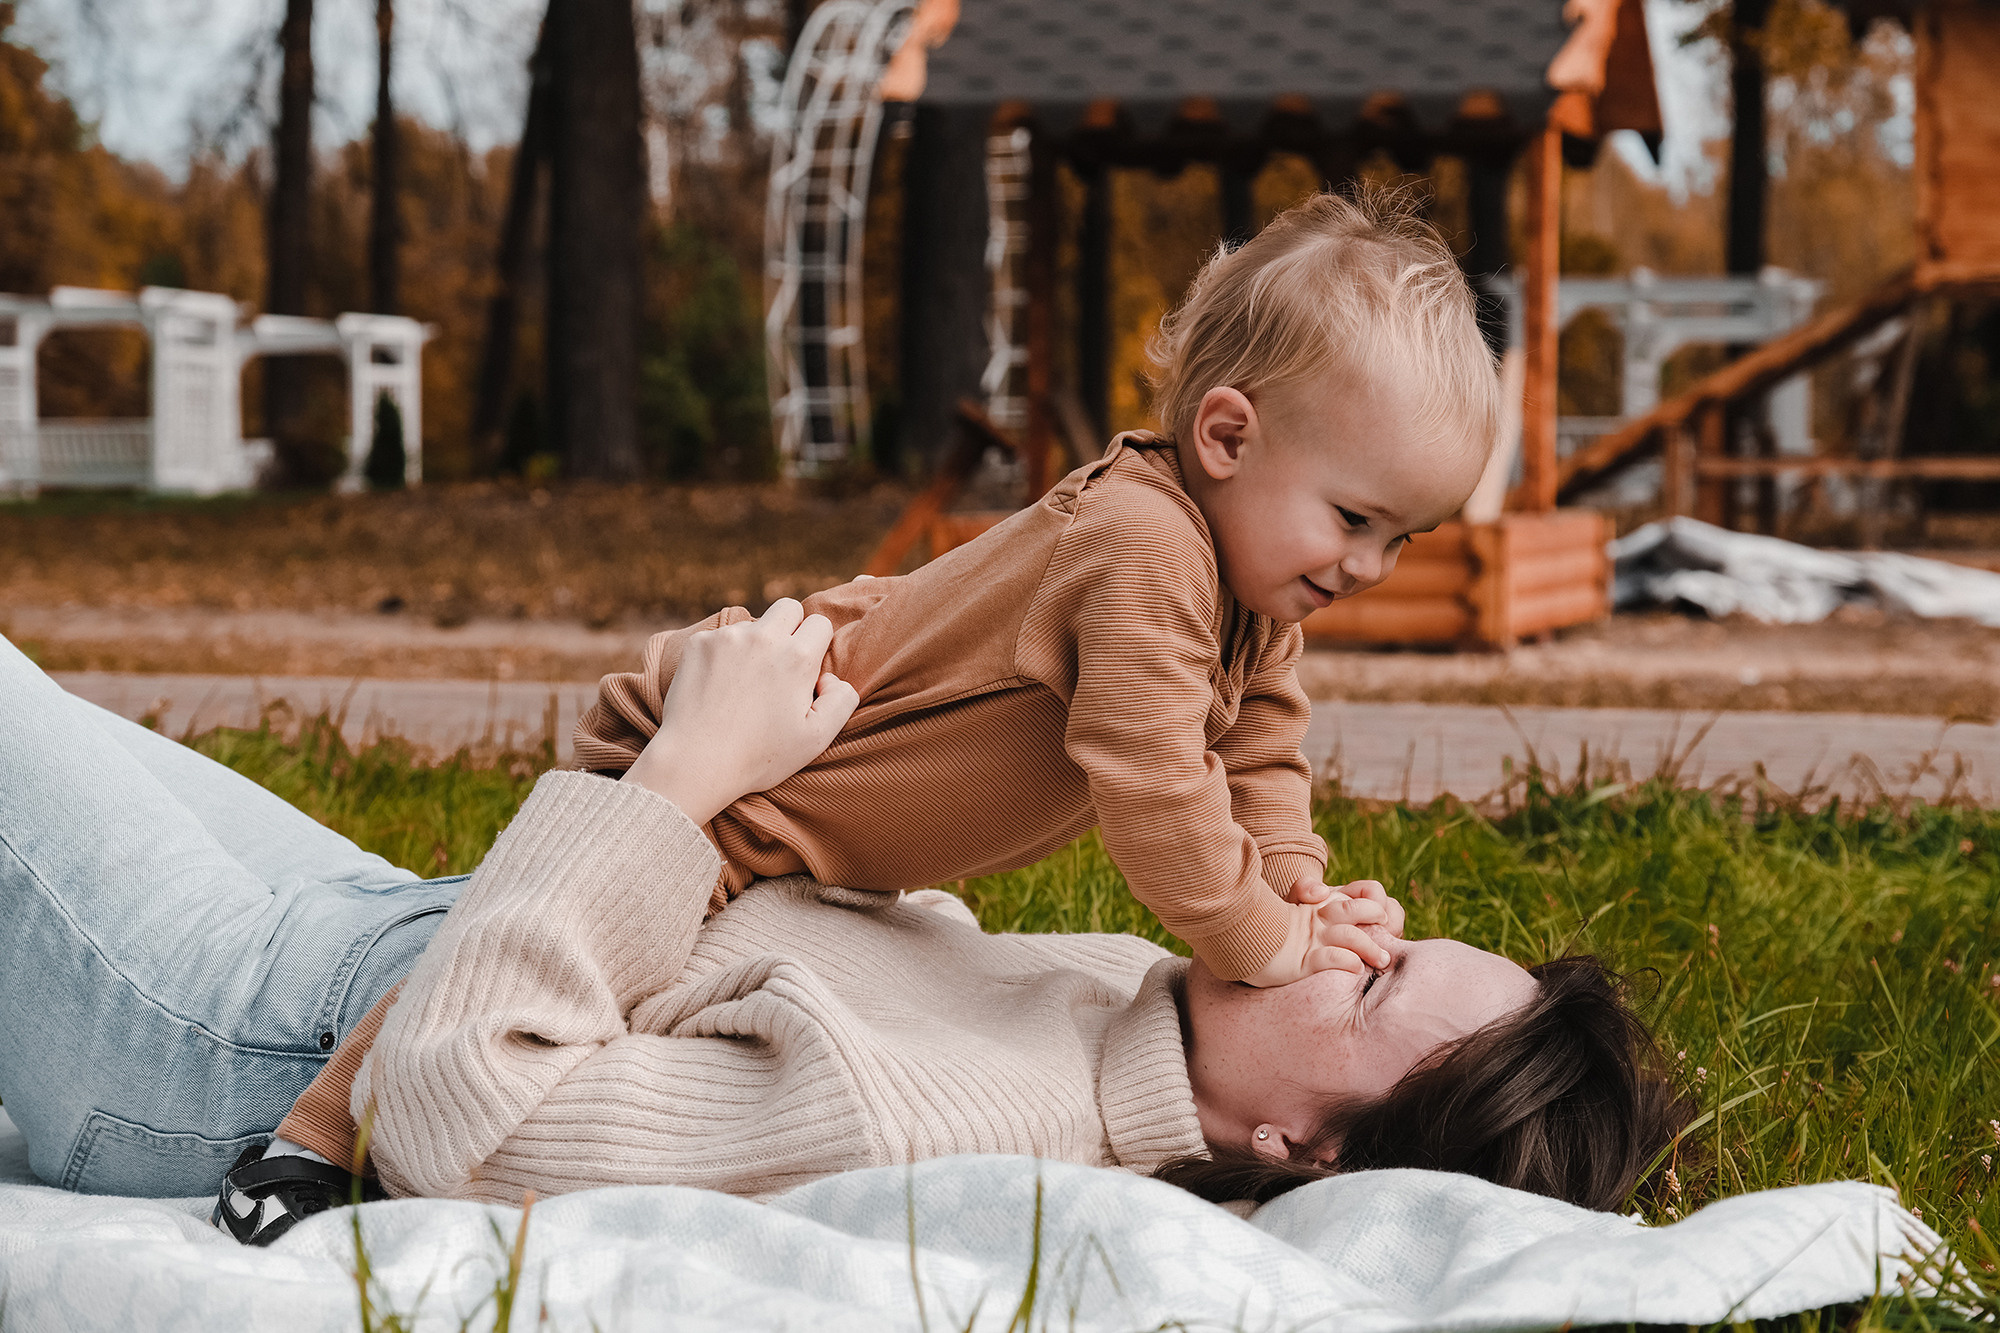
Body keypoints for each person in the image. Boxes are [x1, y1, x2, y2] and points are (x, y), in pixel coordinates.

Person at [574, 187, 1501, 991]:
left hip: (801, 859)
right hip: (731, 798)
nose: (1371, 566)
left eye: (1400, 539)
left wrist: (1300, 884)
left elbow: (1257, 755)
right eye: (1353, 518)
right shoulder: (1145, 545)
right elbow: (1157, 784)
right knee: (578, 971)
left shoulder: (1256, 603)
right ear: (1227, 437)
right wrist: (1262, 938)